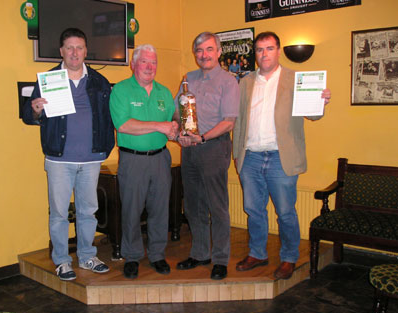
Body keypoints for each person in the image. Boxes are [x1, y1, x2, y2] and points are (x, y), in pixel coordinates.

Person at [232, 31, 331, 280]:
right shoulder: (245, 82)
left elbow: (314, 115)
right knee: (253, 210)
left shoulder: (295, 79)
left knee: (285, 212)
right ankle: (257, 253)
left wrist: (321, 101)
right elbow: (240, 121)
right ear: (255, 54)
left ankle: (289, 258)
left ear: (278, 51)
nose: (264, 54)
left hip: (280, 157)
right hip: (251, 156)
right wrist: (237, 155)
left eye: (269, 48)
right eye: (259, 49)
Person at [22, 28, 115, 280]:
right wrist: (36, 110)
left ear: (86, 51)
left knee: (88, 211)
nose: (75, 52)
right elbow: (29, 116)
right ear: (61, 51)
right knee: (59, 214)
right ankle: (62, 261)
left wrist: (106, 147)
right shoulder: (48, 80)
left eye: (79, 47)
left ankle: (87, 257)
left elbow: (109, 117)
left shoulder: (99, 81)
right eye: (70, 47)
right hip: (59, 160)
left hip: (91, 159)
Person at [175, 32, 240, 280]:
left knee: (217, 206)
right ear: (195, 53)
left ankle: (221, 259)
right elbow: (176, 111)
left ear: (219, 52)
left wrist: (202, 138)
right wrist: (180, 132)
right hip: (189, 150)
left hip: (214, 147)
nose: (204, 55)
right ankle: (200, 253)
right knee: (193, 205)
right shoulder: (187, 79)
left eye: (209, 49)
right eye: (200, 50)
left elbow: (229, 122)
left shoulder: (228, 81)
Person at [109, 44, 178, 279]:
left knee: (160, 209)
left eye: (154, 62)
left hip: (160, 158)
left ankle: (157, 254)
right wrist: (160, 126)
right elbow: (124, 125)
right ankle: (132, 256)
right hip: (133, 160)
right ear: (133, 64)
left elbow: (173, 122)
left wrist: (180, 131)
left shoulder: (164, 93)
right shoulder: (120, 90)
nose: (150, 67)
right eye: (144, 62)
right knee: (131, 210)